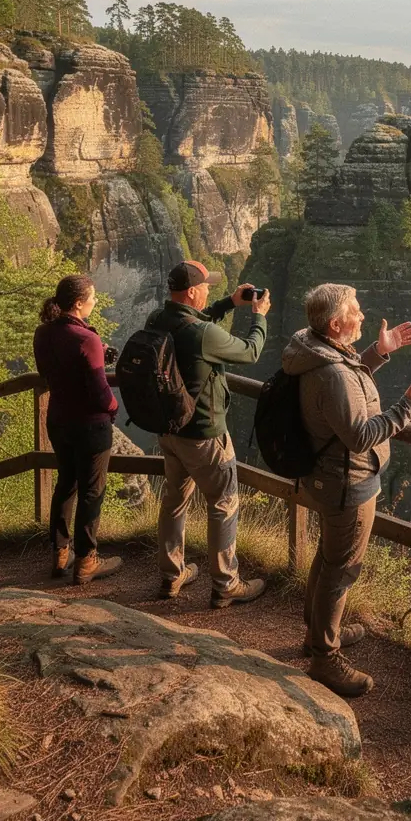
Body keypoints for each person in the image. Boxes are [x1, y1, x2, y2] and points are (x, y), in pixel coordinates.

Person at [282, 283, 411, 697]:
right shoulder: (331, 372)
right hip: (347, 481)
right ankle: (325, 658)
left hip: (327, 476)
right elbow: (358, 434)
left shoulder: (316, 349)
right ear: (336, 324)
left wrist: (377, 352)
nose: (363, 315)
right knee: (343, 568)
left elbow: (345, 389)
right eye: (356, 310)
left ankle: (316, 634)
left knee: (330, 557)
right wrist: (410, 407)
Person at [149, 260, 271, 607]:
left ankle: (172, 577)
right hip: (204, 433)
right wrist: (258, 315)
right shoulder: (202, 335)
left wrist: (229, 303)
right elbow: (250, 352)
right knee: (223, 503)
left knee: (174, 502)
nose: (209, 291)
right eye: (206, 288)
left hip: (168, 430)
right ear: (191, 292)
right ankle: (225, 583)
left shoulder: (157, 319)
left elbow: (196, 324)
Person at [33, 274, 122, 586]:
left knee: (66, 484)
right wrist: (113, 407)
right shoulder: (87, 339)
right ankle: (86, 561)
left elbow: (48, 371)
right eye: (93, 298)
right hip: (90, 425)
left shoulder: (43, 333)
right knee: (92, 491)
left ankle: (60, 553)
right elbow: (99, 391)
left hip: (58, 419)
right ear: (79, 303)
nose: (95, 302)